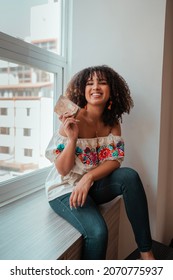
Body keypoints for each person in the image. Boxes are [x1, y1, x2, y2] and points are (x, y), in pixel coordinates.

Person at [45, 65, 155, 260]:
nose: (96, 87)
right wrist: (72, 139)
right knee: (98, 232)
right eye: (90, 83)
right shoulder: (73, 117)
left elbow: (115, 161)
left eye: (102, 82)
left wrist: (88, 177)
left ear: (112, 89)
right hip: (65, 189)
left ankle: (146, 253)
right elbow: (62, 169)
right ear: (82, 89)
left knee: (129, 176)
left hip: (91, 185)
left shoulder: (112, 122)